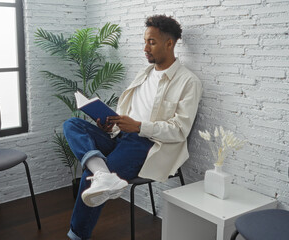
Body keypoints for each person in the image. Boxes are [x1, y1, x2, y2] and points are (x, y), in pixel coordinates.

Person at [63, 14, 203, 240]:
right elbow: (126, 112)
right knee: (72, 124)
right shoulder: (144, 73)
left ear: (169, 43)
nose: (145, 48)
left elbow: (179, 131)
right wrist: (110, 125)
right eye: (145, 41)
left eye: (152, 42)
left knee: (90, 174)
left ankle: (77, 235)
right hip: (121, 136)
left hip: (147, 144)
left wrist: (138, 127)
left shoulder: (188, 82)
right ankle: (104, 174)